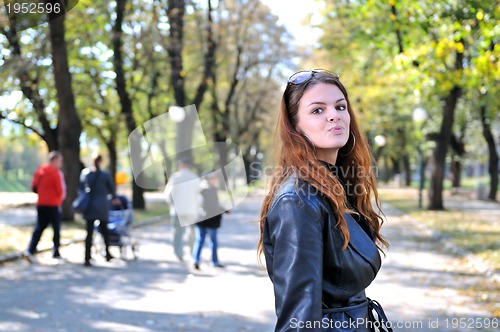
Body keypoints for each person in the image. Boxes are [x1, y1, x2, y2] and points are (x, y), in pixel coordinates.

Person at [258, 69, 392, 331]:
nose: (335, 115)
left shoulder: (336, 188)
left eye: (340, 106)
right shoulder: (297, 200)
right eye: (317, 110)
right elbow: (299, 321)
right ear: (295, 126)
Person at [24, 151, 66, 262]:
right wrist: (59, 197)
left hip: (41, 203)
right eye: (60, 160)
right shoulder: (55, 173)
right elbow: (59, 191)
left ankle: (30, 250)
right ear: (54, 160)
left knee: (39, 227)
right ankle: (56, 251)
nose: (61, 163)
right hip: (53, 204)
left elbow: (34, 187)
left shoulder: (40, 170)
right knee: (56, 228)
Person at [80, 154, 120, 267]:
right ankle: (107, 253)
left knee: (89, 233)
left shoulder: (86, 174)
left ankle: (87, 257)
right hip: (101, 206)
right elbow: (112, 189)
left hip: (89, 206)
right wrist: (115, 198)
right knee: (104, 231)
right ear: (101, 162)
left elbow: (81, 187)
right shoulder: (105, 175)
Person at [192, 171, 230, 270]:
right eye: (213, 178)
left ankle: (195, 260)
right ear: (209, 179)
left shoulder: (200, 189)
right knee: (213, 241)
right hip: (210, 219)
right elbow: (214, 205)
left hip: (200, 219)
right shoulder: (210, 190)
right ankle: (214, 261)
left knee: (199, 240)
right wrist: (224, 210)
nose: (215, 180)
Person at [164, 157, 200, 262]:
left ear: (180, 165)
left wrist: (171, 204)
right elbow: (199, 195)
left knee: (178, 232)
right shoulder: (195, 177)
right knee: (191, 232)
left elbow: (169, 195)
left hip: (178, 210)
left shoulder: (175, 177)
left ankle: (178, 253)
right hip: (192, 210)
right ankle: (193, 252)